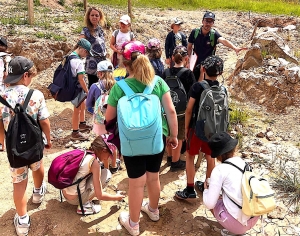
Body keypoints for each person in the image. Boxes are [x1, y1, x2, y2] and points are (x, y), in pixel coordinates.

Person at [105, 41, 178, 236]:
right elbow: (171, 111)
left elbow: (109, 118)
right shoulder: (158, 82)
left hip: (131, 140)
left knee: (136, 182)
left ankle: (134, 223)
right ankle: (153, 211)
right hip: (156, 136)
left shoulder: (119, 87)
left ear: (124, 63)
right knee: (153, 177)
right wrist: (173, 135)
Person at [0, 56, 51, 236]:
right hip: (34, 144)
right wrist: (49, 139)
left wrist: (2, 142)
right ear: (26, 75)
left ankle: (22, 221)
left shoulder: (2, 97)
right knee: (37, 167)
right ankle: (37, 193)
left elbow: (0, 123)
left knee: (19, 183)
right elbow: (44, 121)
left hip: (14, 147)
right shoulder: (36, 95)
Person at [175, 55, 224, 200]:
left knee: (190, 156)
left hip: (196, 128)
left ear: (203, 69)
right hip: (214, 130)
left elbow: (189, 109)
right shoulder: (222, 89)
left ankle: (190, 189)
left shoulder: (198, 86)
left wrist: (185, 130)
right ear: (220, 73)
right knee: (210, 157)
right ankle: (207, 187)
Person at [203, 132, 259, 236]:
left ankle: (233, 231)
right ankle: (238, 228)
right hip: (254, 218)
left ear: (218, 155)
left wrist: (206, 190)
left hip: (238, 226)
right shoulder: (244, 163)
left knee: (213, 200)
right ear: (234, 148)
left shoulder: (219, 170)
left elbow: (209, 204)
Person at [63, 135, 124, 215]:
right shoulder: (94, 164)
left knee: (99, 174)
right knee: (107, 174)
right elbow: (100, 196)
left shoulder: (84, 152)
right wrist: (117, 197)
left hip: (65, 193)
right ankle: (85, 206)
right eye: (109, 154)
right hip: (75, 199)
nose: (108, 157)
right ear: (104, 150)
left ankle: (83, 198)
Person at [161, 45, 196, 171]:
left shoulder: (166, 72)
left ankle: (170, 157)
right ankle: (176, 162)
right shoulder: (188, 74)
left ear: (172, 58)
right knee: (179, 136)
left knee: (168, 133)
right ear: (186, 58)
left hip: (166, 109)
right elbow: (193, 92)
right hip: (181, 112)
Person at [187, 11, 246, 80]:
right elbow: (189, 47)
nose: (208, 24)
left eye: (210, 22)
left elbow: (223, 41)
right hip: (195, 64)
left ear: (213, 23)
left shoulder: (214, 34)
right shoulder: (195, 32)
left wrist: (234, 48)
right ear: (202, 21)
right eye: (206, 21)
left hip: (208, 66)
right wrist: (188, 60)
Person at [70, 38, 93, 141]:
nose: (86, 55)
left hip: (74, 86)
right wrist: (88, 91)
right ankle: (75, 132)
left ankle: (82, 123)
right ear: (83, 49)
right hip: (77, 88)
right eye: (87, 52)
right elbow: (81, 79)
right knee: (77, 109)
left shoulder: (70, 56)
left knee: (82, 105)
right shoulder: (78, 61)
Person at [80, 7, 107, 89]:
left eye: (96, 15)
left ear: (100, 17)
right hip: (92, 63)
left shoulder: (100, 30)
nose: (94, 17)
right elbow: (80, 42)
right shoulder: (86, 30)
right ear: (88, 16)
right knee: (93, 86)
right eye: (92, 15)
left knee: (103, 86)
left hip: (102, 62)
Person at [88, 60, 115, 132]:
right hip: (114, 120)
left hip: (100, 121)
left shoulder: (94, 86)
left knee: (101, 139)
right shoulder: (118, 85)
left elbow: (88, 104)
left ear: (99, 73)